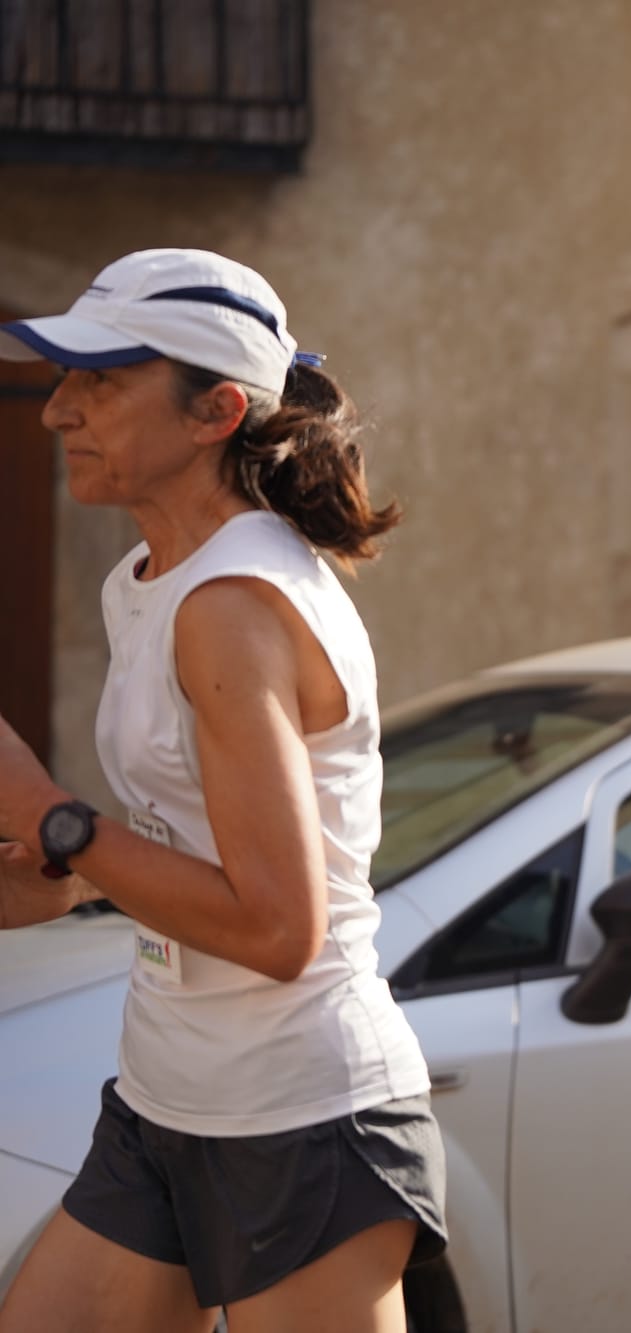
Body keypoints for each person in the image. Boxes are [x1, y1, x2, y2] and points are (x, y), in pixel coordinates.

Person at [0, 249, 444, 1333]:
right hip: (164, 1099)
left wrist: (53, 814)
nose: (60, 410)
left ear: (217, 411)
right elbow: (175, 854)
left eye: (99, 380)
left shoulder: (232, 606)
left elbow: (280, 924)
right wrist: (64, 874)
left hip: (300, 1114)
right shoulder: (148, 585)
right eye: (64, 378)